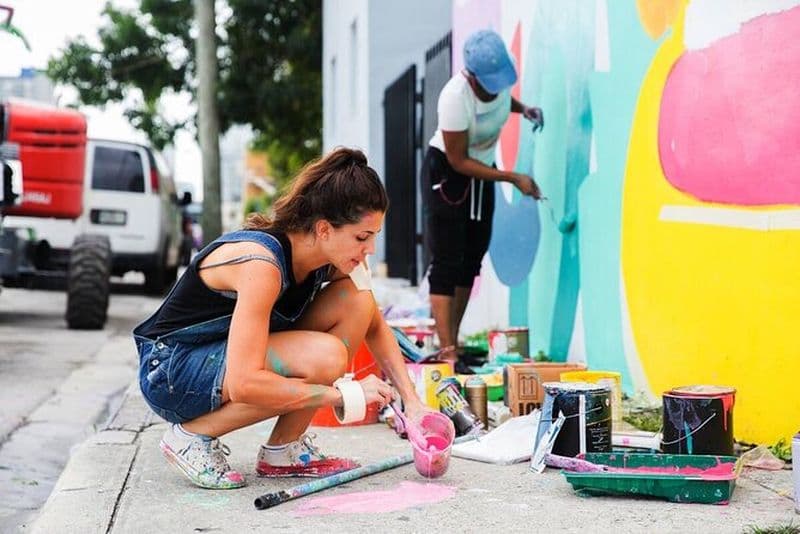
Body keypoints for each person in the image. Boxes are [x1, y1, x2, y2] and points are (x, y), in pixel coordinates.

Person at [133, 147, 431, 490]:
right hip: (170, 373)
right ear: (324, 229)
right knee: (326, 356)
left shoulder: (333, 259)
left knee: (360, 300)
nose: (370, 250)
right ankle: (191, 436)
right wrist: (342, 395)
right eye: (362, 237)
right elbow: (244, 383)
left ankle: (283, 451)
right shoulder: (262, 265)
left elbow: (374, 324)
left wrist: (413, 403)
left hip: (218, 362)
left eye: (374, 237)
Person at [421, 29, 544, 374]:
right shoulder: (454, 98)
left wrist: (524, 109)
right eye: (490, 82)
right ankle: (447, 353)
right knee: (447, 260)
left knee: (471, 257)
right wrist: (513, 177)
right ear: (473, 76)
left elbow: (502, 100)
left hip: (481, 173)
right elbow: (459, 160)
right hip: (449, 174)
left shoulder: (498, 77)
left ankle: (454, 342)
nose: (497, 86)